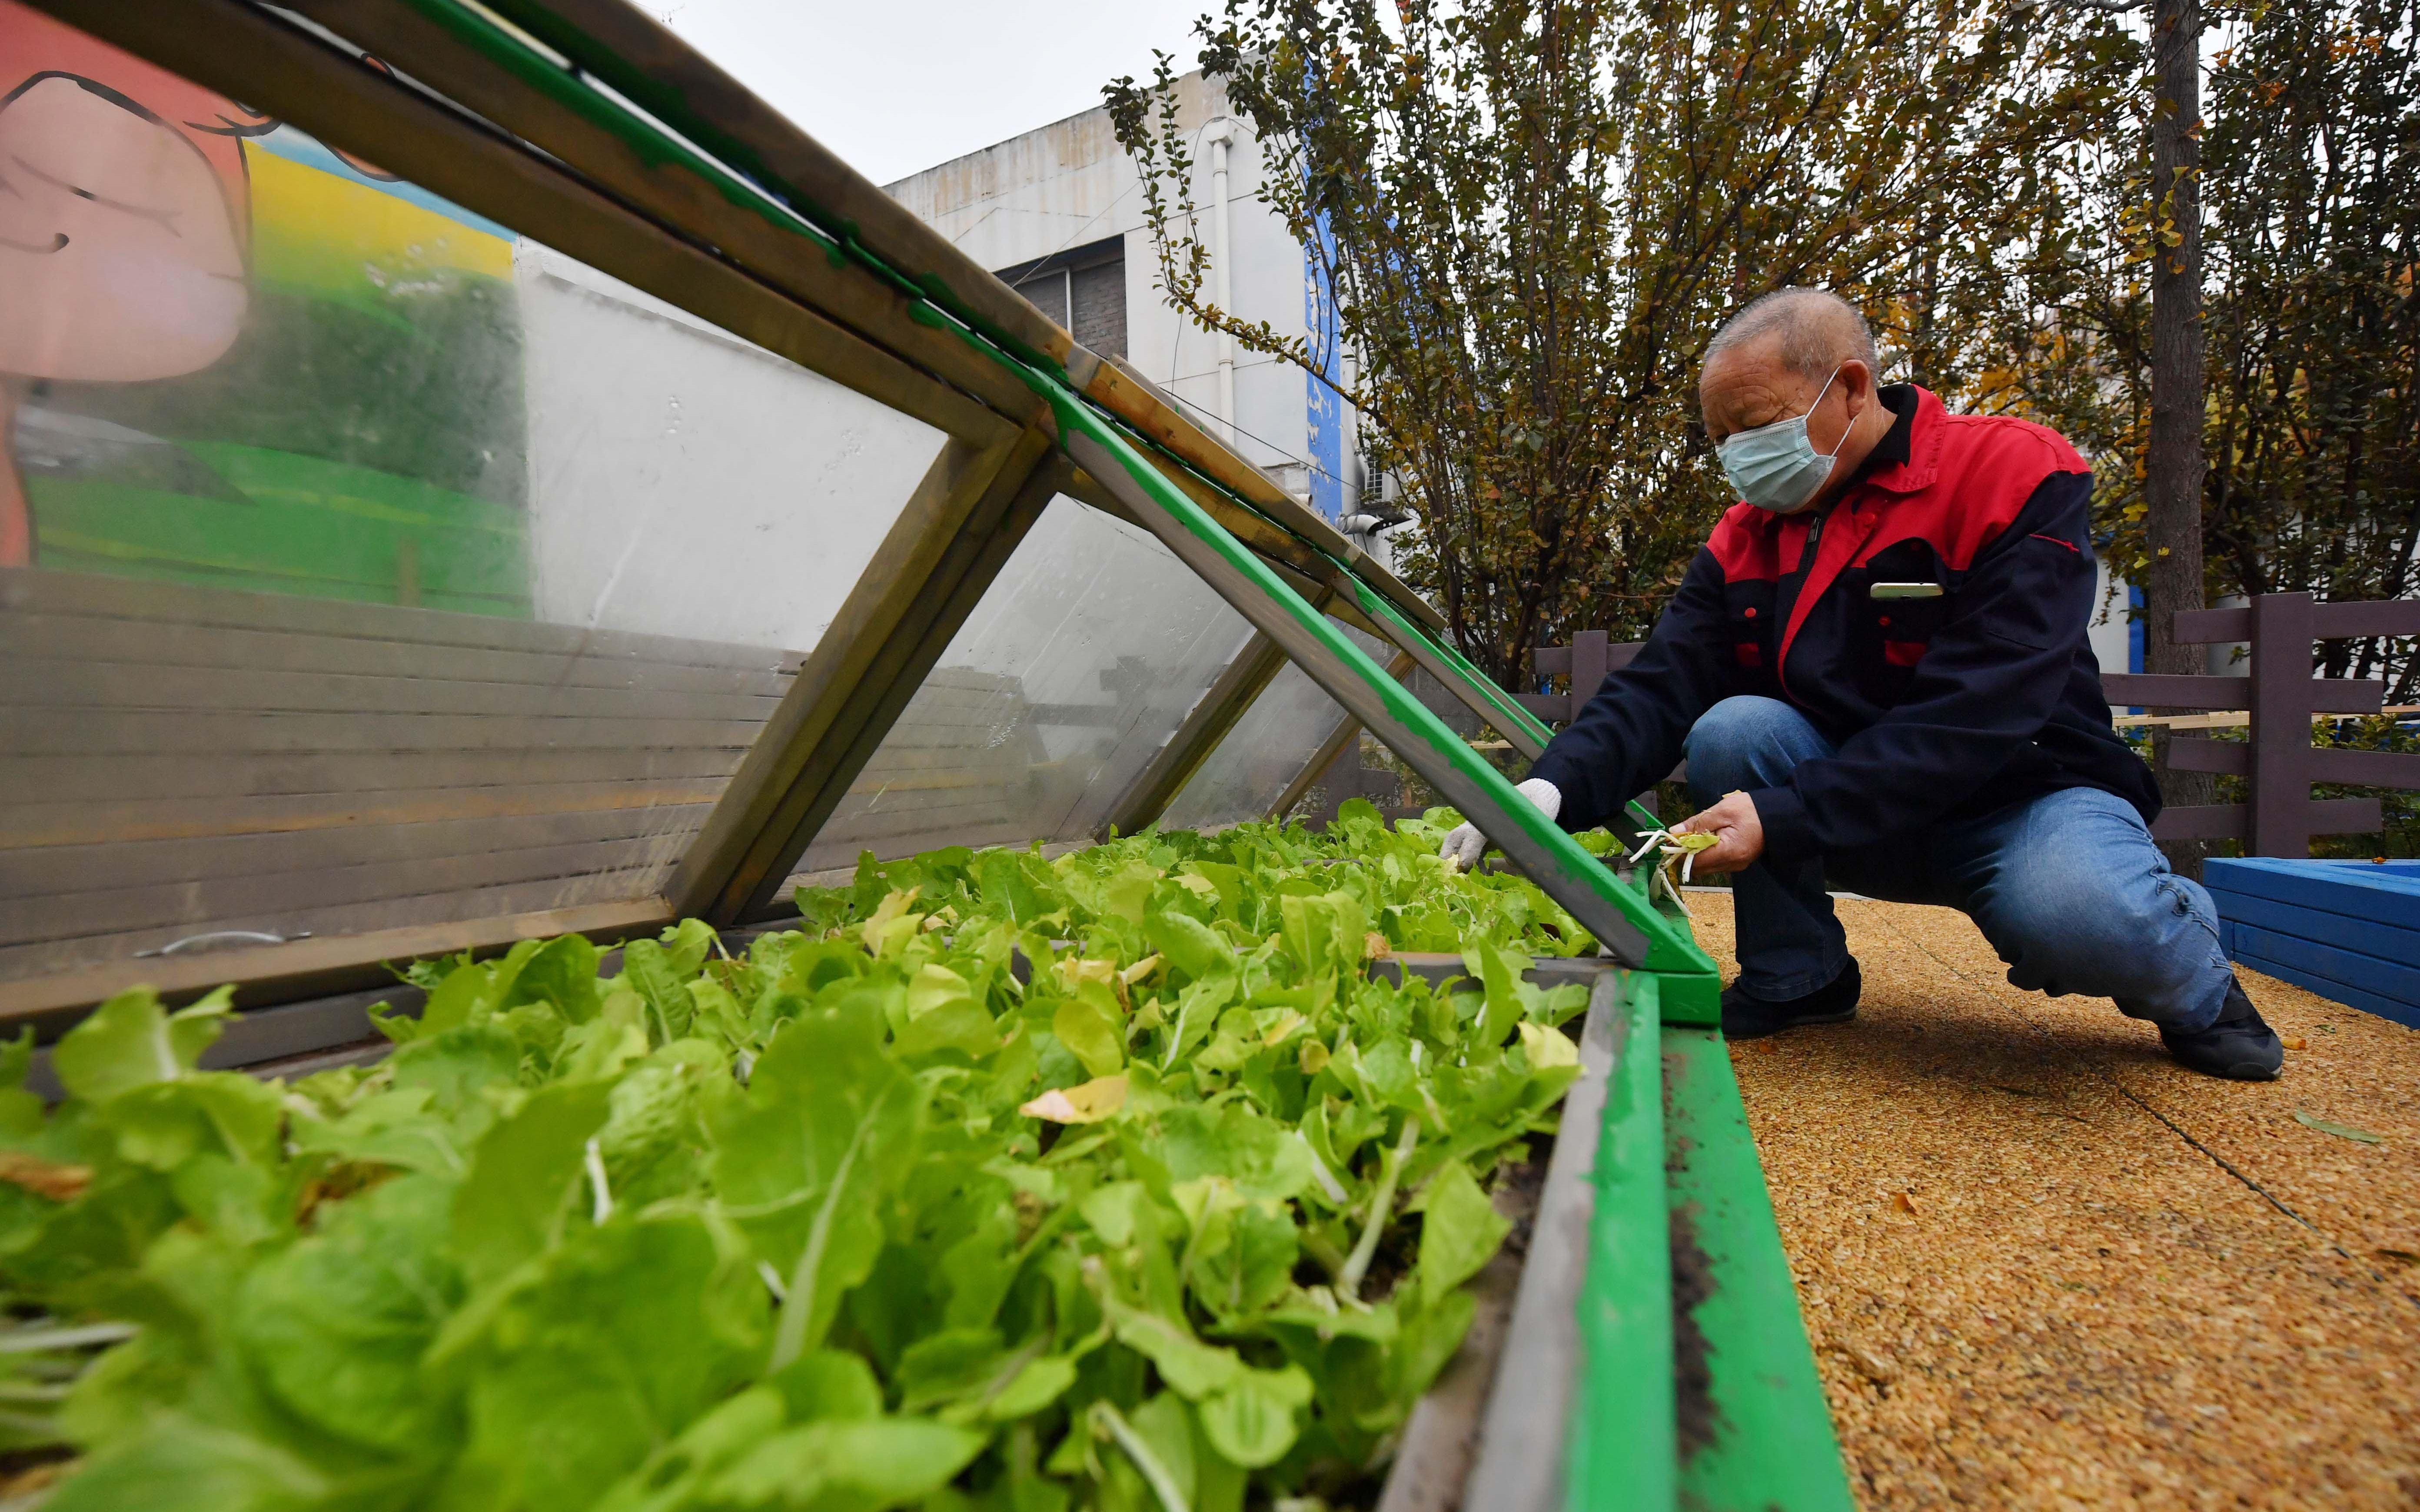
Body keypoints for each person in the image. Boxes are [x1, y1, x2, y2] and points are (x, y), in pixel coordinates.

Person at [1440, 288, 2284, 1080]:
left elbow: (1984, 707)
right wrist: (1544, 797)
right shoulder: (1747, 537)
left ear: (1849, 388)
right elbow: (1661, 684)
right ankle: (1798, 973)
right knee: (1734, 729)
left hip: (2025, 797)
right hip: (1856, 807)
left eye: (1756, 425)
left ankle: (2194, 975)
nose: (1738, 457)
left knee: (2082, 916)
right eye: (1721, 439)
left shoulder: (2010, 474)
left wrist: (1785, 814)